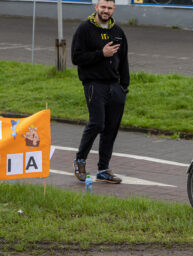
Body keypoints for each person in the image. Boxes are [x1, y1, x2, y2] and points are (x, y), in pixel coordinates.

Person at [71, 0, 129, 184]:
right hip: (94, 84)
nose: (106, 11)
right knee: (97, 123)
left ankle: (103, 169)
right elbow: (76, 57)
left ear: (114, 9)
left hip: (115, 86)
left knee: (111, 128)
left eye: (109, 8)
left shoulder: (118, 32)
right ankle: (80, 160)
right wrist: (100, 54)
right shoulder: (84, 29)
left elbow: (124, 60)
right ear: (96, 7)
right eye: (103, 7)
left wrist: (124, 87)